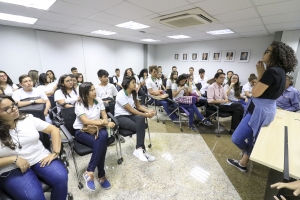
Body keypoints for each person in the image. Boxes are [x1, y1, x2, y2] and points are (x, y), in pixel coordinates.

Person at [227, 41, 298, 172]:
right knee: (251, 138)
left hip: (259, 111)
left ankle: (245, 157)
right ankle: (244, 159)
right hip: (264, 109)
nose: (264, 53)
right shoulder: (281, 71)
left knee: (238, 138)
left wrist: (261, 73)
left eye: (268, 51)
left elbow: (255, 93)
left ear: (276, 55)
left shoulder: (271, 72)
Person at [0, 95, 68, 200]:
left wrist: (55, 152)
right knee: (34, 197)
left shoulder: (27, 119)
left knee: (61, 178)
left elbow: (54, 130)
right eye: (6, 109)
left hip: (39, 156)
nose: (13, 108)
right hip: (11, 167)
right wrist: (13, 159)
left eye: (13, 104)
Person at [73, 82, 115, 191]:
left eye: (94, 89)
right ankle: (101, 175)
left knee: (104, 135)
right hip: (82, 131)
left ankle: (90, 172)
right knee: (102, 145)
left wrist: (105, 120)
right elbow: (85, 121)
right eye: (91, 90)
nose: (94, 91)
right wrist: (105, 123)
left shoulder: (99, 100)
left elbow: (104, 115)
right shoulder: (79, 104)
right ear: (85, 93)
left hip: (97, 128)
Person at [115, 76, 156, 162]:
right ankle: (141, 149)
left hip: (130, 115)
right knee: (140, 125)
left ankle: (140, 149)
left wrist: (148, 111)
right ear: (127, 84)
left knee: (141, 119)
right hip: (121, 117)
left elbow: (138, 106)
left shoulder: (134, 93)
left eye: (135, 82)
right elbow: (132, 110)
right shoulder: (120, 94)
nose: (135, 84)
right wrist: (147, 115)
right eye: (133, 82)